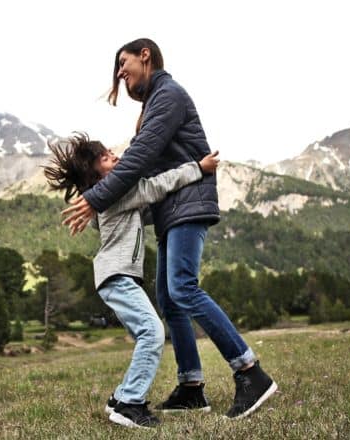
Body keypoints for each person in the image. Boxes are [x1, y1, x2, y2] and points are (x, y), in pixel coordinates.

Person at [62, 38, 277, 419]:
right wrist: (100, 197)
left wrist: (96, 198)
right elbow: (139, 173)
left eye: (123, 63)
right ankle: (192, 385)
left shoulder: (168, 95)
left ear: (145, 55)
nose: (120, 74)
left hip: (188, 199)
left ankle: (249, 371)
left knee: (182, 287)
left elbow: (140, 162)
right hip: (171, 208)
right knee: (168, 296)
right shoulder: (151, 105)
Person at [44, 132, 220, 428]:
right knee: (152, 332)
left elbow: (147, 207)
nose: (113, 155)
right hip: (117, 276)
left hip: (115, 278)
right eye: (104, 157)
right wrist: (198, 169)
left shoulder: (114, 198)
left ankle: (121, 398)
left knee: (148, 332)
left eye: (109, 151)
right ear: (95, 174)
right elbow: (155, 187)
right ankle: (129, 403)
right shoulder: (117, 194)